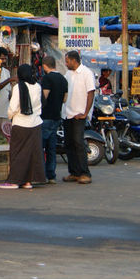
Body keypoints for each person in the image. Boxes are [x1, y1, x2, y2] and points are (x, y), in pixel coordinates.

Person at [1, 64, 45, 189]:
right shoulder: (37, 86)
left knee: (17, 152)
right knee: (31, 153)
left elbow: (13, 107)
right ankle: (28, 181)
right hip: (35, 123)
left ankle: (14, 181)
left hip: (20, 123)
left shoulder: (18, 87)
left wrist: (10, 116)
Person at [63, 50, 96, 184]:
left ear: (73, 60)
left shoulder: (86, 73)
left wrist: (85, 112)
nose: (66, 63)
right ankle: (74, 172)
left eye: (67, 61)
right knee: (69, 143)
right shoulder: (67, 74)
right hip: (67, 113)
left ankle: (85, 173)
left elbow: (91, 93)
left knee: (79, 143)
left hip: (79, 114)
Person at [40, 56, 67, 184]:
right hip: (57, 116)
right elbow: (65, 99)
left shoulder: (47, 78)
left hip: (46, 116)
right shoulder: (63, 79)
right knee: (51, 148)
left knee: (41, 146)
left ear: (45, 66)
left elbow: (44, 97)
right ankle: (51, 175)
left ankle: (40, 174)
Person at [0, 46, 16, 142]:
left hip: (5, 111)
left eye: (5, 58)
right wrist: (9, 80)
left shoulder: (7, 72)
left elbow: (8, 90)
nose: (4, 61)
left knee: (4, 139)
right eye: (2, 58)